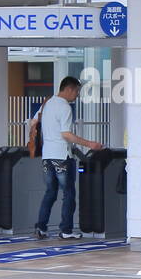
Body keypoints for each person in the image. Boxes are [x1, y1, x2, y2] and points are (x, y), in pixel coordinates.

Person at [29, 76, 103, 240]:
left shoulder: (47, 104)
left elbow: (33, 122)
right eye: (77, 91)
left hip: (47, 157)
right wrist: (90, 144)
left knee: (50, 192)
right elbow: (66, 134)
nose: (77, 95)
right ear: (69, 89)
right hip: (62, 156)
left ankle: (41, 228)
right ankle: (66, 230)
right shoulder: (65, 107)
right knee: (68, 193)